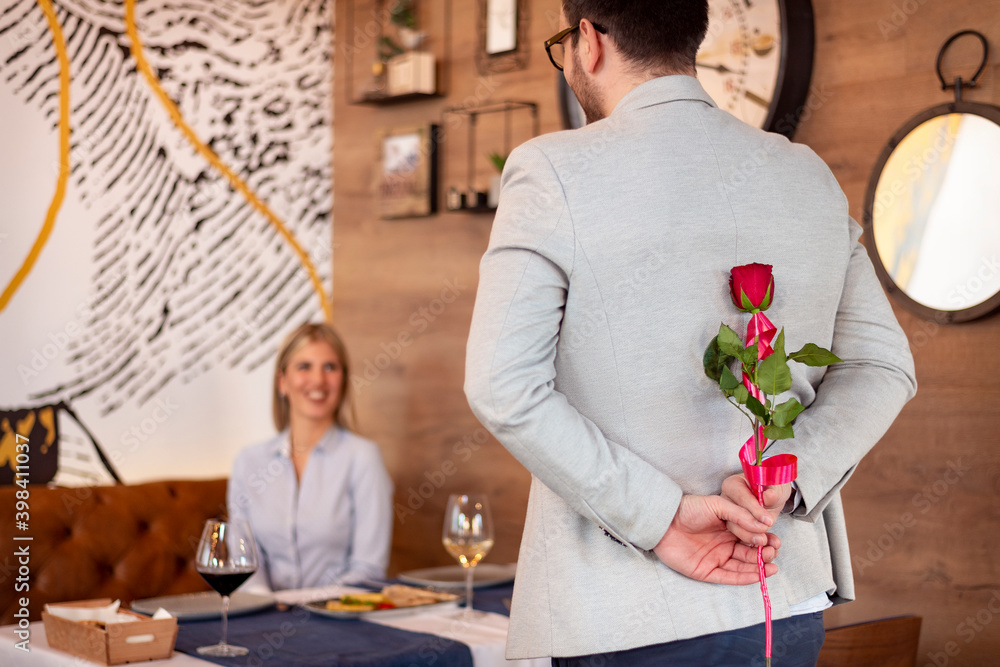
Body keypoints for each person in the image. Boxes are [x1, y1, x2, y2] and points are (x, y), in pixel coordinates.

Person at [464, 1, 917, 664]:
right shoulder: (805, 173)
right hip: (780, 591)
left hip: (621, 614)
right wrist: (785, 478)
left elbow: (502, 385)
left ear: (588, 41)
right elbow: (883, 366)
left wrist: (662, 518)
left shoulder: (550, 170)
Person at [228, 322, 393, 591]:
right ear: (283, 382)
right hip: (263, 618)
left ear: (343, 380)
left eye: (330, 367)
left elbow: (368, 569)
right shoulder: (249, 462)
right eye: (304, 367)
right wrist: (266, 603)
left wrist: (307, 607)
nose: (318, 380)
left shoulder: (363, 458)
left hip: (339, 619)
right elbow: (244, 561)